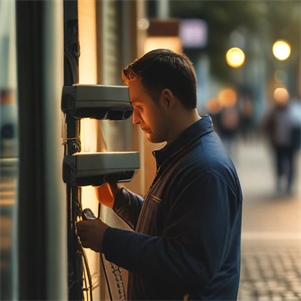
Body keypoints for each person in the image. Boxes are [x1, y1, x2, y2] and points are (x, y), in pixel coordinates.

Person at [77, 49, 243, 300]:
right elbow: (172, 225)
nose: (135, 119)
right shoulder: (186, 154)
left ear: (167, 99)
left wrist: (109, 240)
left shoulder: (205, 170)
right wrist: (121, 201)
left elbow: (190, 263)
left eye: (139, 107)